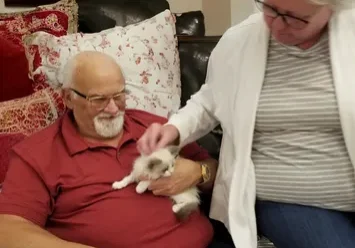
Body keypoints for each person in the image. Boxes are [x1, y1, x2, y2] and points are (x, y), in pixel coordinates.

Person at [137, 0, 355, 248]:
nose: (278, 24)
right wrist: (174, 128)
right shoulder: (240, 41)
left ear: (332, 8)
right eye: (271, 9)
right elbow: (209, 102)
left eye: (296, 18)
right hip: (288, 199)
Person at [0, 51, 225, 248]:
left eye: (119, 95)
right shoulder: (39, 153)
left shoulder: (153, 126)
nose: (113, 108)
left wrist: (199, 172)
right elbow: (9, 230)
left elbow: (215, 170)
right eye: (99, 99)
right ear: (68, 97)